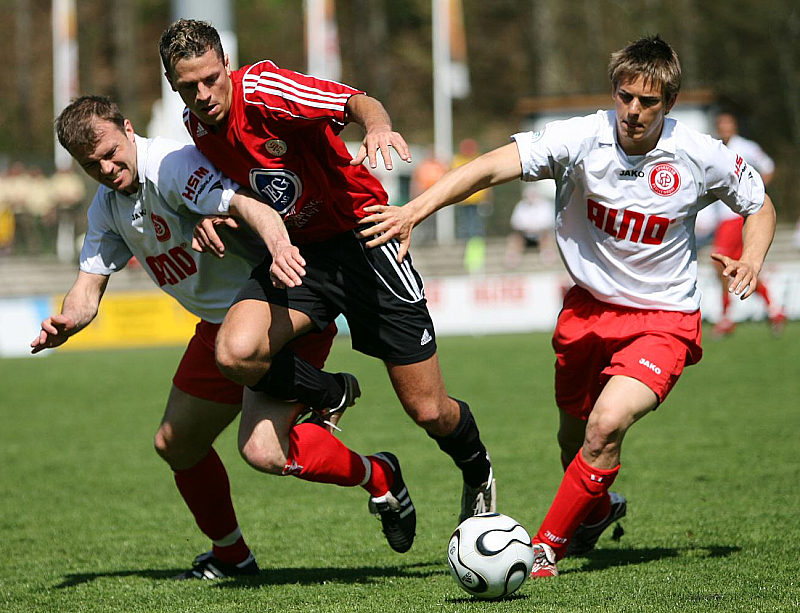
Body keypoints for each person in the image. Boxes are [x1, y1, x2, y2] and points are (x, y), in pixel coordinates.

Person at [357, 35, 778, 577]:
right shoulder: (580, 138)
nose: (633, 111)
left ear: (669, 105)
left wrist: (753, 257)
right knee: (572, 441)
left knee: (606, 426)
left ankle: (542, 549)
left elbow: (759, 206)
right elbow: (488, 168)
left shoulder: (700, 155)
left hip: (664, 320)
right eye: (625, 97)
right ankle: (599, 511)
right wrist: (415, 209)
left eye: (648, 103)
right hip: (586, 312)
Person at [32, 96, 416, 580]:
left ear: (129, 130)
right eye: (92, 165)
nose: (107, 168)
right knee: (176, 444)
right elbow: (88, 288)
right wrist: (69, 320)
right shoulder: (108, 206)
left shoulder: (171, 168)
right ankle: (232, 555)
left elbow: (247, 201)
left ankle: (378, 474)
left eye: (111, 152)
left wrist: (277, 246)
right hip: (217, 329)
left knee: (263, 452)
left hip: (275, 313)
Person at [158, 19, 496, 531]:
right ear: (173, 84)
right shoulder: (194, 125)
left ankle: (477, 467)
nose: (203, 94)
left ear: (226, 65)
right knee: (235, 350)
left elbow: (354, 100)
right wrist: (214, 212)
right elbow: (241, 182)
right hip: (301, 255)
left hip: (367, 241)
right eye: (188, 86)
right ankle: (331, 392)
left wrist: (378, 127)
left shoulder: (264, 88)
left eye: (211, 78)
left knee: (429, 410)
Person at [707, 111, 785, 336]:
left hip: (736, 217)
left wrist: (757, 194)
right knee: (741, 266)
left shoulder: (746, 147)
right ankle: (774, 309)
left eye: (728, 123)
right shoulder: (715, 149)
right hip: (722, 218)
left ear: (735, 125)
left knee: (718, 262)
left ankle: (725, 316)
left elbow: (768, 166)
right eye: (721, 124)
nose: (725, 128)